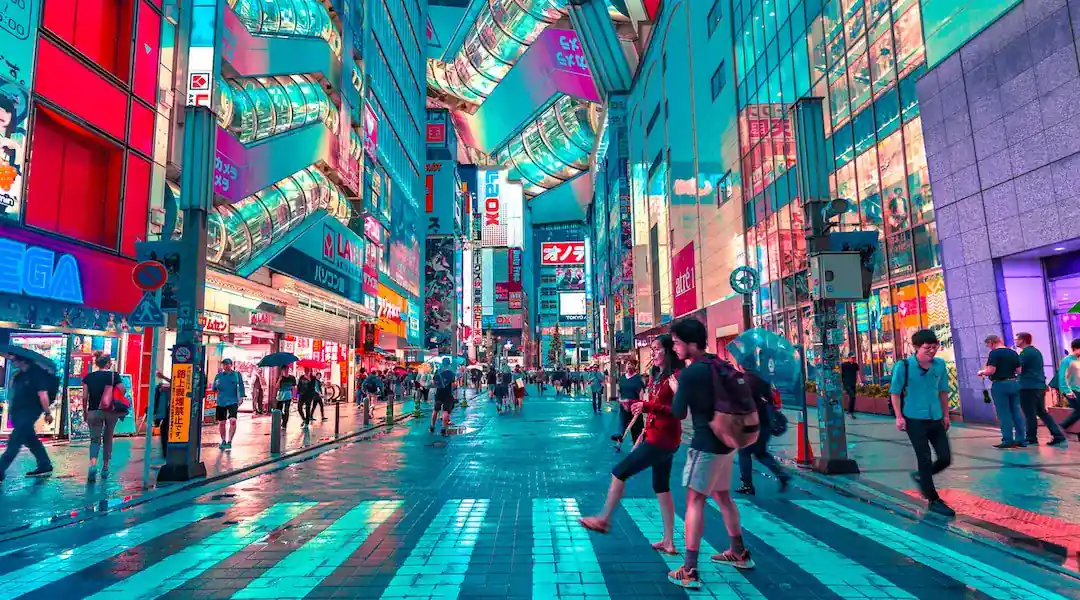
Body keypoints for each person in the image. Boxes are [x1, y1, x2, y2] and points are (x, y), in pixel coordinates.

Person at [579, 335, 684, 555]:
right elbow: (655, 404)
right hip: (659, 436)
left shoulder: (675, 377)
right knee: (661, 487)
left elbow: (679, 411)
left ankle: (604, 519)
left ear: (668, 351)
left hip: (663, 439)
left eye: (656, 349)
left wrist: (646, 407)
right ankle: (669, 541)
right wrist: (640, 407)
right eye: (652, 349)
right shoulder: (657, 375)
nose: (653, 353)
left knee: (620, 471)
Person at [667, 319, 751, 589]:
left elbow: (678, 412)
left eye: (678, 343)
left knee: (694, 502)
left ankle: (690, 569)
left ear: (692, 344)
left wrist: (677, 391)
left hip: (705, 444)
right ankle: (738, 551)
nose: (674, 347)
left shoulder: (690, 373)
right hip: (727, 442)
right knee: (723, 497)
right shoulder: (718, 363)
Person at [890, 329, 956, 517]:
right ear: (917, 347)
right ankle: (933, 499)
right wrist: (899, 417)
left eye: (935, 348)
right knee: (924, 457)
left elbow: (943, 392)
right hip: (914, 419)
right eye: (927, 348)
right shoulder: (904, 366)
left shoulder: (940, 365)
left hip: (935, 418)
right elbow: (895, 392)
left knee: (945, 458)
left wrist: (946, 415)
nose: (932, 351)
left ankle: (922, 477)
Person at [735, 369, 790, 495]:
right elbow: (771, 400)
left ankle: (747, 484)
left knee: (744, 452)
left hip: (751, 422)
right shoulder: (764, 380)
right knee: (760, 453)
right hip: (765, 421)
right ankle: (781, 474)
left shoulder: (744, 381)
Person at [0, 355, 55, 481]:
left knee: (14, 442)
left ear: (23, 360)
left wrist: (47, 412)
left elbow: (43, 395)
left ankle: (1, 469)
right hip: (18, 414)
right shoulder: (19, 375)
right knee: (31, 440)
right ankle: (45, 464)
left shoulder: (37, 374)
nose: (12, 361)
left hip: (29, 413)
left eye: (14, 359)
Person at [1015, 333, 1066, 445]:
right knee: (1042, 412)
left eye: (1016, 339)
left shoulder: (1025, 353)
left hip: (1028, 387)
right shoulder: (1036, 352)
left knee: (1029, 413)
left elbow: (1019, 369)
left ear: (1022, 340)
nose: (1015, 341)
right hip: (1039, 386)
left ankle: (1031, 438)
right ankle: (1058, 435)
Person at [978, 335, 1027, 448]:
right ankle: (1021, 439)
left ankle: (1007, 440)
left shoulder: (994, 353)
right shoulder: (1013, 352)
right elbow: (1019, 371)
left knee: (1003, 413)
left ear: (991, 342)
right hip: (1014, 384)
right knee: (1016, 412)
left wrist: (982, 372)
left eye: (988, 345)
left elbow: (991, 370)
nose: (988, 347)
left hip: (1000, 385)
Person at [82, 353, 123, 481]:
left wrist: (85, 411)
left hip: (94, 410)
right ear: (108, 364)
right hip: (110, 410)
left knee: (94, 440)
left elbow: (84, 397)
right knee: (108, 438)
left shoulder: (88, 377)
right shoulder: (113, 375)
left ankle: (93, 465)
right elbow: (122, 390)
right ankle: (105, 468)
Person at [212, 358, 246, 449]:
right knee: (222, 422)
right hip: (221, 401)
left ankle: (230, 441)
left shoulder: (236, 375)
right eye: (224, 364)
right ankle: (223, 440)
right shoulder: (218, 376)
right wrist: (216, 384)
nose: (226, 366)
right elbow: (213, 389)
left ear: (231, 365)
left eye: (227, 364)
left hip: (233, 401)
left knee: (233, 420)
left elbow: (241, 387)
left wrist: (241, 397)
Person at [612, 362, 646, 452]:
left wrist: (640, 404)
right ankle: (618, 444)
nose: (629, 366)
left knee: (636, 428)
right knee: (621, 425)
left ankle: (638, 447)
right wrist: (620, 400)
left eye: (631, 364)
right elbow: (620, 391)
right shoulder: (622, 378)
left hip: (635, 406)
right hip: (623, 406)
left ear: (635, 366)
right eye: (628, 364)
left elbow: (641, 392)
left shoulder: (638, 378)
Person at [1055, 340, 1080, 441]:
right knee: (1079, 411)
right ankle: (1063, 425)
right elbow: (1062, 377)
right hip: (1072, 390)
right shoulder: (1067, 360)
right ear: (1075, 348)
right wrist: (1067, 391)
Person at [432, 359, 456, 434]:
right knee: (445, 411)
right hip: (448, 393)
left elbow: (433, 382)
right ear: (449, 364)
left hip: (439, 393)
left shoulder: (438, 371)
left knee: (436, 410)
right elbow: (453, 384)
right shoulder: (451, 373)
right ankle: (443, 427)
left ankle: (432, 426)